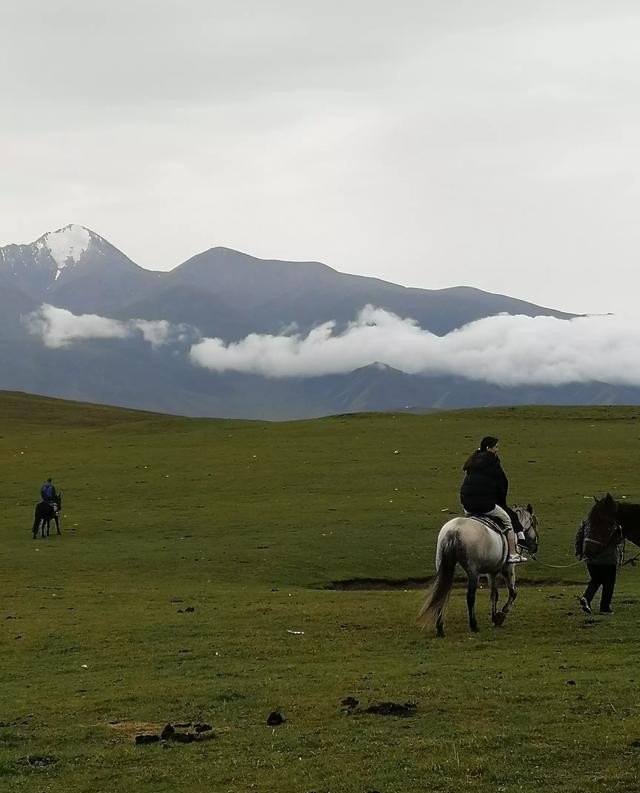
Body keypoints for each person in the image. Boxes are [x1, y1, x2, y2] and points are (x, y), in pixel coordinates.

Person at [460, 435, 527, 564]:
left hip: (467, 505)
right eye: (496, 447)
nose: (497, 450)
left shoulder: (472, 461)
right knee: (507, 521)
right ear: (488, 448)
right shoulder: (492, 461)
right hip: (485, 504)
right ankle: (513, 554)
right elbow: (501, 483)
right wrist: (502, 503)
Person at [575, 517, 623, 615]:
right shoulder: (612, 522)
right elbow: (617, 541)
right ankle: (604, 608)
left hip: (590, 559)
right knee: (609, 583)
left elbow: (579, 535)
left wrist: (579, 552)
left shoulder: (587, 521)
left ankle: (586, 598)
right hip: (608, 559)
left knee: (596, 579)